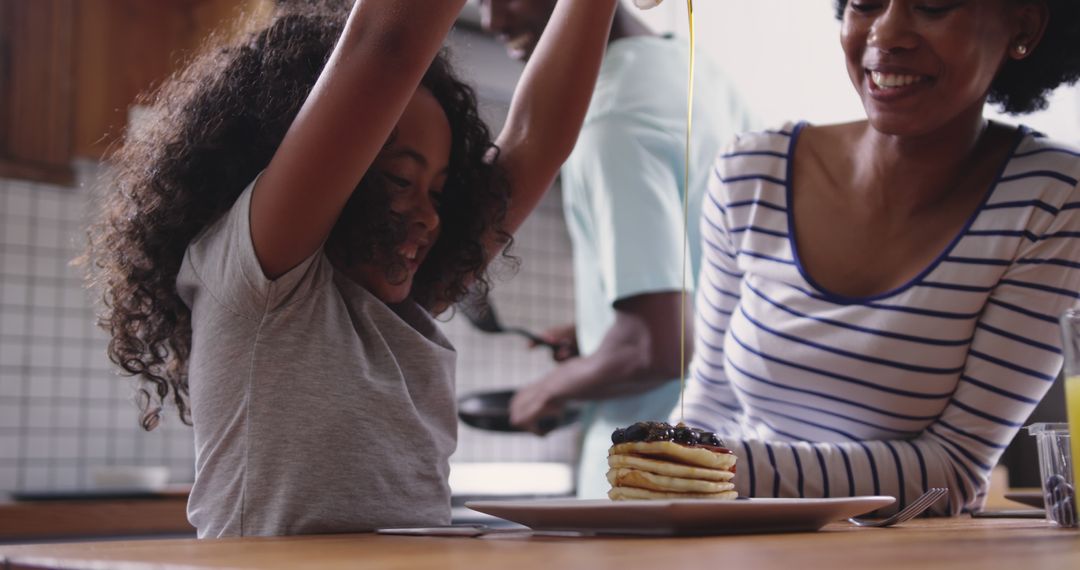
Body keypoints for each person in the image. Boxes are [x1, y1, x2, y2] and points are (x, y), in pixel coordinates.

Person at [85, 0, 618, 537]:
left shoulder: (401, 304)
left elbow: (534, 137)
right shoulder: (261, 273)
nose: (430, 216)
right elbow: (386, 47)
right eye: (398, 182)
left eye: (437, 190)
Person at [681, 0, 1080, 515]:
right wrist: (672, 465)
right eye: (864, 2)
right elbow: (709, 405)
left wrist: (706, 466)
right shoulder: (750, 171)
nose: (886, 31)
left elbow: (952, 472)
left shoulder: (1052, 200)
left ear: (1023, 26)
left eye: (933, 6)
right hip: (734, 545)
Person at [479, 0, 757, 498]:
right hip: (722, 467)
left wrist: (545, 390)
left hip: (648, 487)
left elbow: (656, 345)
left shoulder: (611, 116)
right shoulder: (693, 71)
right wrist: (597, 336)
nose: (491, 19)